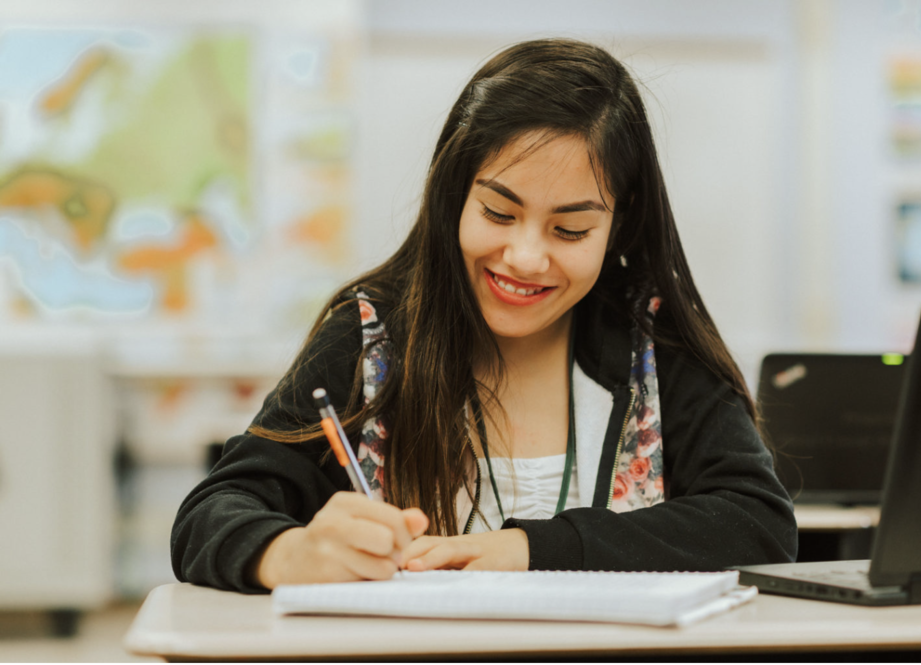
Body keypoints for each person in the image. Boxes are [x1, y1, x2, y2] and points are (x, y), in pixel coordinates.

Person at [171, 38, 797, 593]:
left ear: (620, 222)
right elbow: (211, 514)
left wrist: (529, 550)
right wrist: (292, 553)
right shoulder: (372, 335)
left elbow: (757, 524)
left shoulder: (651, 340)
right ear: (455, 194)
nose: (525, 257)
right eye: (499, 213)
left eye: (571, 229)